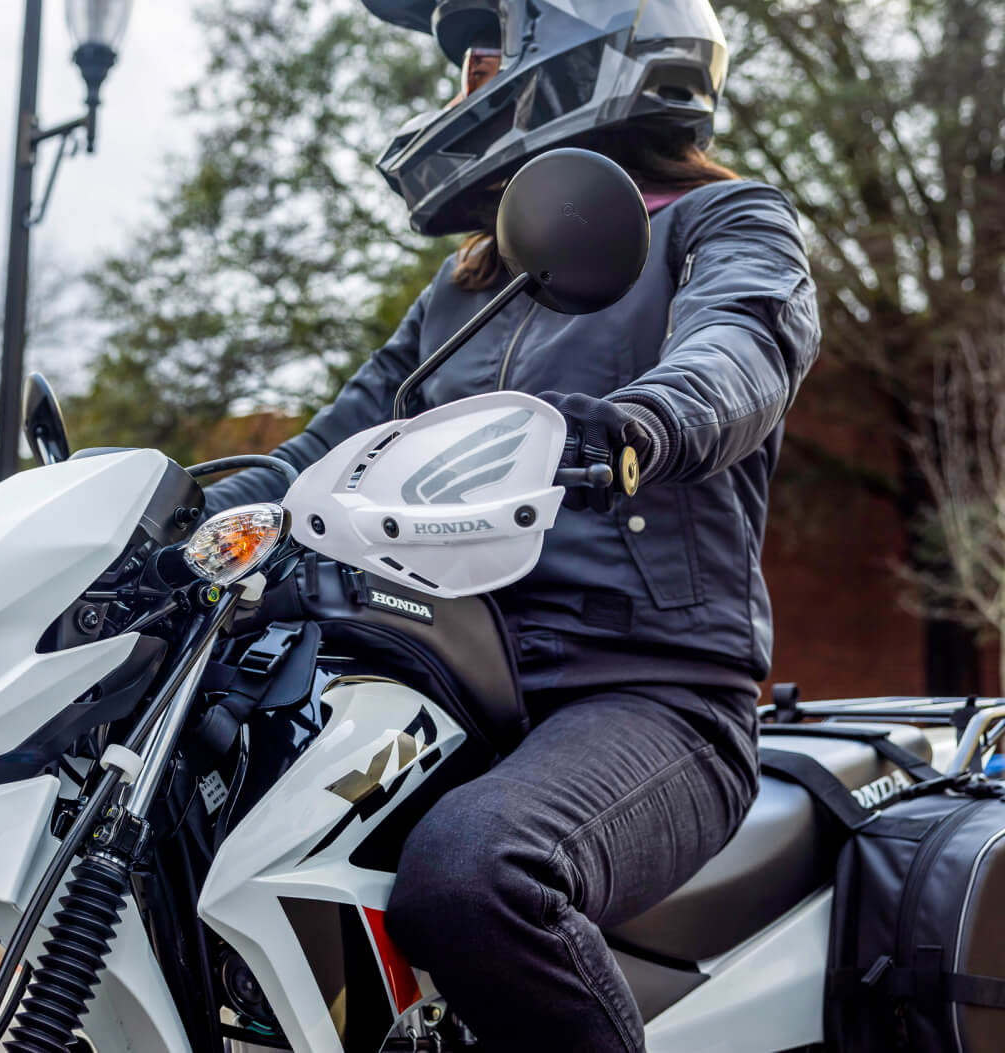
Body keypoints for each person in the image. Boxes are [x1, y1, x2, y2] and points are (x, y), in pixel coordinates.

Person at [199, 0, 821, 1049]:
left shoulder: (732, 222)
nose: (466, 87)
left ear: (592, 47)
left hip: (649, 696)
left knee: (476, 876)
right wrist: (169, 515)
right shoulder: (467, 287)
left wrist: (642, 420)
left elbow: (744, 346)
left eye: (484, 54)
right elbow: (322, 448)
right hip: (450, 686)